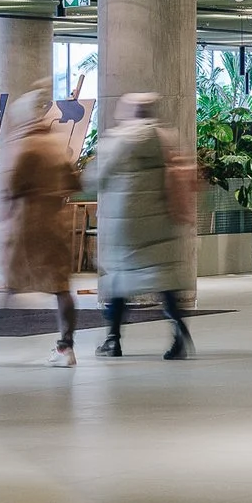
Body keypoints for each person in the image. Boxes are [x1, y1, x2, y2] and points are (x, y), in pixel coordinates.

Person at [87, 92, 194, 360]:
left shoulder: (119, 140)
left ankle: (113, 339)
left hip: (127, 224)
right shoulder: (165, 138)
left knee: (119, 281)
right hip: (160, 220)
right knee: (163, 278)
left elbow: (96, 177)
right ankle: (179, 330)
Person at [0, 91, 83, 367]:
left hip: (28, 225)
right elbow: (75, 182)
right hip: (56, 222)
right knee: (61, 287)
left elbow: (14, 187)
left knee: (13, 281)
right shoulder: (56, 144)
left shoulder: (26, 146)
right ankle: (65, 345)